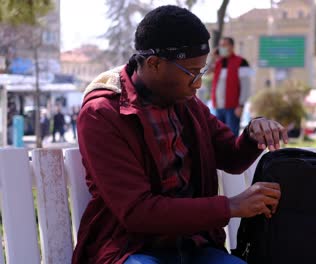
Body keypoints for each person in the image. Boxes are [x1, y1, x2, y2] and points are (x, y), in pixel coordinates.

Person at [73, 5, 288, 264]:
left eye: (202, 71)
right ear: (154, 63)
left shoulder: (186, 102)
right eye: (191, 72)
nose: (198, 82)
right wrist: (229, 207)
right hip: (130, 248)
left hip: (194, 245)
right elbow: (137, 212)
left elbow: (232, 158)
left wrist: (254, 134)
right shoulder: (103, 113)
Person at [211, 37, 251, 136]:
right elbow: (205, 72)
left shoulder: (241, 62)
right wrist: (213, 57)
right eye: (220, 45)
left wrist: (241, 105)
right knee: (218, 136)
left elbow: (245, 86)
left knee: (231, 135)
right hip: (218, 107)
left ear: (232, 47)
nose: (222, 48)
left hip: (233, 108)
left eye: (224, 45)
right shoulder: (218, 63)